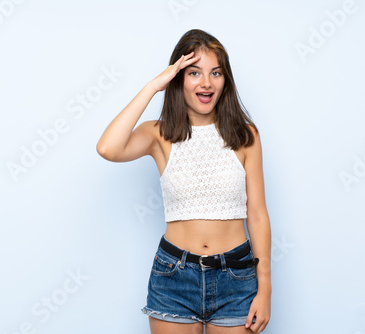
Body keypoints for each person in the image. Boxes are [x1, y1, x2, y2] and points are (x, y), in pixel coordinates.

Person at [96, 29, 271, 334]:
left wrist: (265, 287)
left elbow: (257, 213)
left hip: (237, 278)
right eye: (194, 73)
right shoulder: (159, 134)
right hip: (173, 277)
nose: (206, 82)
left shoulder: (246, 135)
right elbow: (108, 148)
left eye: (216, 73)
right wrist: (153, 86)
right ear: (178, 79)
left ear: (225, 80)